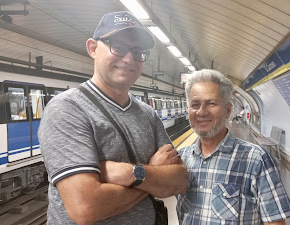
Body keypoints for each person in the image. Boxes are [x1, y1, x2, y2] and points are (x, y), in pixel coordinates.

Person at [38, 11, 188, 225]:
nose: (129, 59)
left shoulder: (147, 113)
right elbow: (85, 208)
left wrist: (130, 173)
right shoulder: (67, 109)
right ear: (92, 48)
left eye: (138, 51)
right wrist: (151, 173)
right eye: (118, 46)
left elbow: (180, 180)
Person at [176, 69, 290, 225]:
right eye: (195, 104)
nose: (201, 112)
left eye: (211, 103)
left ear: (228, 110)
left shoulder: (257, 160)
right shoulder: (180, 159)